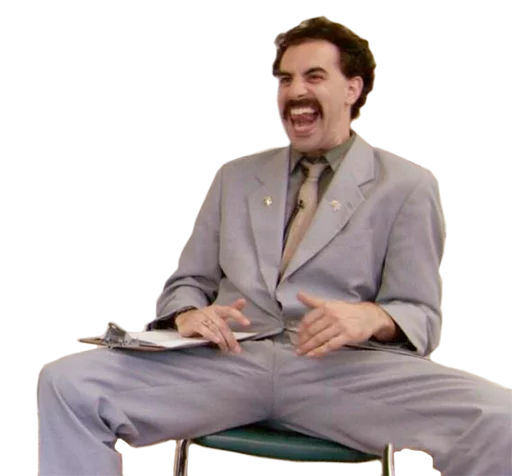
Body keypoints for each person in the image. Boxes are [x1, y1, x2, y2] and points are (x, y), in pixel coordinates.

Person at [39, 16, 511, 476]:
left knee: (498, 418)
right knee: (66, 384)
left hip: (343, 373)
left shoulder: (407, 186)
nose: (295, 91)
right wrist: (187, 314)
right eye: (285, 79)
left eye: (314, 76)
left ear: (353, 88)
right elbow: (187, 282)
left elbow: (421, 315)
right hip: (228, 363)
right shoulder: (235, 178)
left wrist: (371, 317)